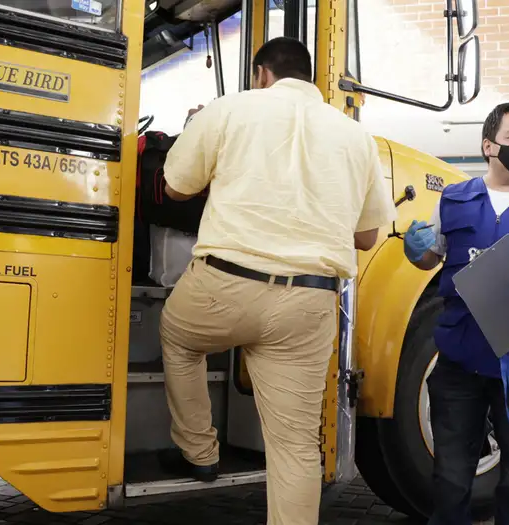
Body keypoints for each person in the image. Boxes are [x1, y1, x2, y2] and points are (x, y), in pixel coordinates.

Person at [156, 36, 398, 525]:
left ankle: (200, 452)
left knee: (178, 339)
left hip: (222, 287)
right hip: (308, 304)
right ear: (307, 76)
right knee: (295, 448)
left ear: (262, 73)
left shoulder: (229, 110)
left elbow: (176, 186)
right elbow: (368, 236)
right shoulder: (354, 136)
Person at [402, 102, 509, 525]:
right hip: (458, 358)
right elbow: (430, 258)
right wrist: (416, 250)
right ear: (489, 146)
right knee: (452, 477)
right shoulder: (454, 199)